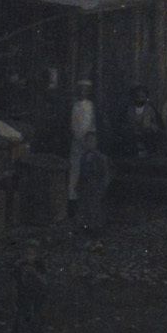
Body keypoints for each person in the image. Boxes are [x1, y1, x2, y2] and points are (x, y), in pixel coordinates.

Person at [11, 240, 48, 333]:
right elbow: (14, 283)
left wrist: (34, 273)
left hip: (37, 296)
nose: (29, 256)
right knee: (22, 318)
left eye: (32, 254)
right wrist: (14, 296)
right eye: (27, 253)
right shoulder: (19, 265)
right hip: (23, 296)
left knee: (36, 319)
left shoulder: (39, 265)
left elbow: (45, 282)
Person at [67, 78, 96, 210]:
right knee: (74, 169)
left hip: (88, 141)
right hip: (76, 141)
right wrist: (76, 136)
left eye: (85, 90)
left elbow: (92, 123)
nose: (82, 92)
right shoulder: (74, 105)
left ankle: (87, 199)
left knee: (88, 168)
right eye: (80, 90)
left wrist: (89, 137)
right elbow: (72, 123)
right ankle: (72, 198)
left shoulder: (91, 106)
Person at [76, 131, 111, 237]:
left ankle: (96, 228)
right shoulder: (83, 157)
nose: (89, 144)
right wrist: (78, 184)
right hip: (85, 186)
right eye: (87, 141)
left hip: (96, 186)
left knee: (95, 207)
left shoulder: (101, 158)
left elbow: (105, 175)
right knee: (85, 206)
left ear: (96, 143)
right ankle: (86, 227)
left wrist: (102, 187)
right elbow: (81, 172)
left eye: (91, 141)